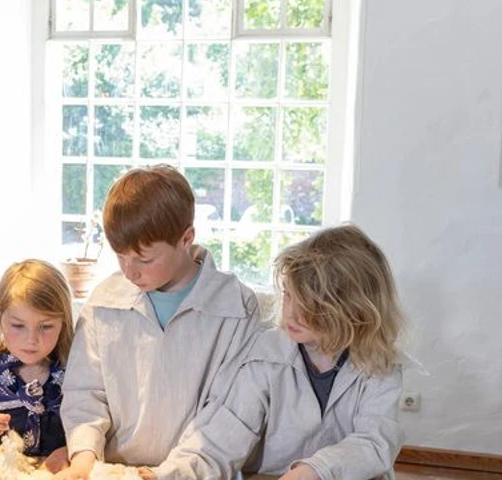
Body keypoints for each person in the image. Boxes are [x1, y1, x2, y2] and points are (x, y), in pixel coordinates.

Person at [56, 164, 262, 480]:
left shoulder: (235, 306)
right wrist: (84, 458)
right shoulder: (104, 301)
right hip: (114, 472)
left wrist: (172, 474)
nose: (129, 271)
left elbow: (229, 417)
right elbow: (85, 394)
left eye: (145, 259)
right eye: (120, 256)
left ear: (186, 238)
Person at [164, 224, 406, 480]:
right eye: (289, 295)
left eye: (311, 305)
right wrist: (170, 475)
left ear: (352, 309)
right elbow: (222, 436)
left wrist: (316, 471)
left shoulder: (380, 366)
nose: (292, 313)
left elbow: (374, 442)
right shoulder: (265, 356)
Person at [0, 259, 74, 473]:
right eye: (18, 325)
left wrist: (70, 451)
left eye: (46, 326)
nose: (31, 339)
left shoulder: (76, 362)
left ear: (63, 322)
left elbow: (102, 434)